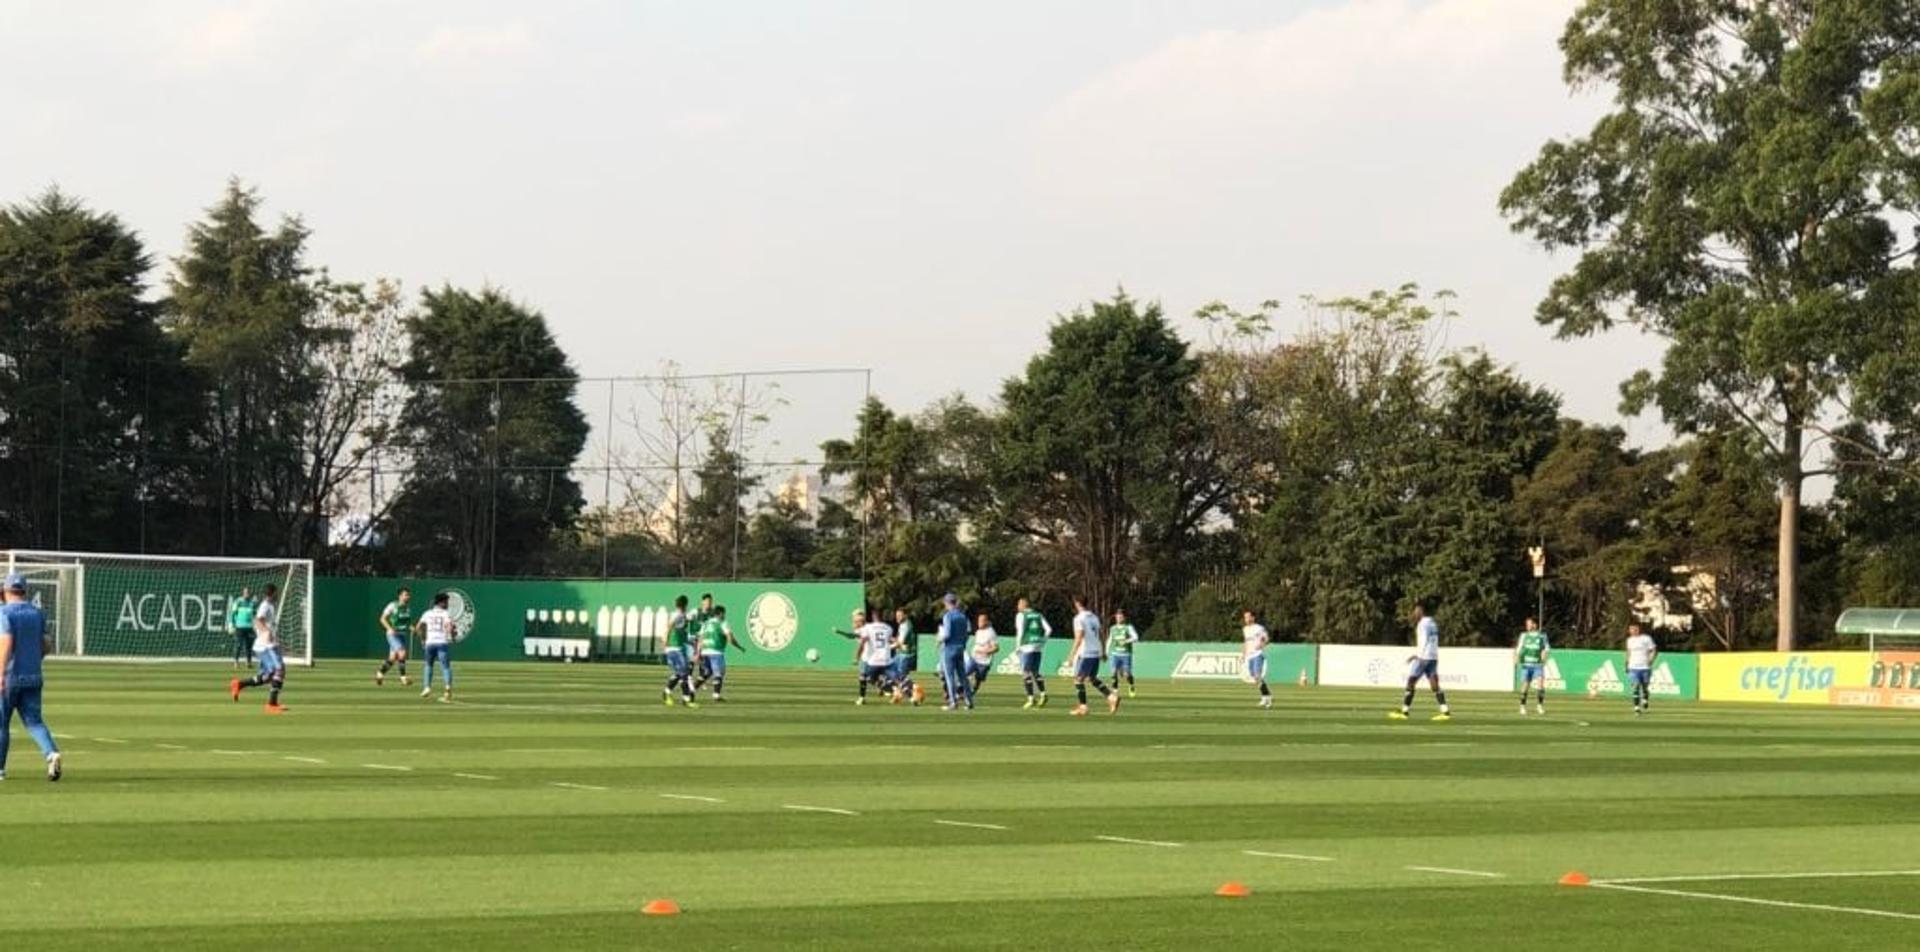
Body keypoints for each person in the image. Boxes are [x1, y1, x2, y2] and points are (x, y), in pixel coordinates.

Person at [0, 573, 62, 782]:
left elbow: (6, 642)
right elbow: (46, 643)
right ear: (24, 591)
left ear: (6, 592)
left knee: (2, 724)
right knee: (34, 722)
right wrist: (35, 659)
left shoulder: (4, 613)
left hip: (10, 676)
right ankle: (51, 753)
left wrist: (0, 673)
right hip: (33, 675)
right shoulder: (37, 613)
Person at [229, 583, 287, 714]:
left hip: (266, 645)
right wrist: (267, 632)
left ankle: (239, 684)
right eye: (276, 593)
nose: (278, 595)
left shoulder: (270, 605)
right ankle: (272, 704)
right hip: (265, 646)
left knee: (268, 677)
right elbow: (257, 620)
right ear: (272, 593)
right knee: (279, 670)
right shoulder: (265, 605)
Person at [1391, 600, 1450, 721]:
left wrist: (1417, 655)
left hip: (1424, 657)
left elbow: (1423, 641)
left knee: (1410, 682)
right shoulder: (1433, 623)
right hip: (1433, 656)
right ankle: (1445, 711)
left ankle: (1404, 711)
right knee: (1434, 684)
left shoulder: (1422, 624)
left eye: (1415, 610)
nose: (1414, 613)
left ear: (1420, 610)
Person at [1068, 596, 1118, 716]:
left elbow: (1079, 637)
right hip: (1095, 651)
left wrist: (1071, 654)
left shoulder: (1079, 618)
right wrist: (1103, 651)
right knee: (1092, 678)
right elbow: (1100, 635)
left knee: (1078, 680)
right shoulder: (1094, 617)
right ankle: (1111, 697)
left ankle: (1083, 707)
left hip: (1086, 653)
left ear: (1077, 603)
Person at [694, 605, 747, 702]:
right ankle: (716, 695)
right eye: (724, 613)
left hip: (705, 652)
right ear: (720, 613)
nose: (725, 616)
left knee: (707, 673)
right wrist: (739, 647)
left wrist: (698, 653)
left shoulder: (705, 623)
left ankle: (692, 690)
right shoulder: (722, 623)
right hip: (716, 651)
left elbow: (700, 639)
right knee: (719, 673)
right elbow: (730, 639)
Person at [937, 593, 974, 711]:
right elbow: (968, 632)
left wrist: (939, 639)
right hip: (960, 648)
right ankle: (969, 701)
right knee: (963, 676)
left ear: (947, 603)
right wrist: (962, 643)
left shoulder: (948, 616)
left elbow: (947, 634)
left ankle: (953, 702)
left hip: (949, 648)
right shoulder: (963, 616)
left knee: (949, 676)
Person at [418, 592, 458, 702]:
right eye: (446, 601)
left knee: (428, 665)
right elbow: (450, 628)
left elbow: (419, 627)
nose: (447, 604)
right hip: (442, 642)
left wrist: (422, 639)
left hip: (430, 643)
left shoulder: (427, 613)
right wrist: (453, 636)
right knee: (446, 666)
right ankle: (447, 687)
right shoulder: (445, 614)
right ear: (441, 602)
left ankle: (427, 687)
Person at [661, 595, 698, 708]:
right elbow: (669, 626)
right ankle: (686, 700)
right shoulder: (679, 615)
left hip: (674, 648)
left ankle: (666, 692)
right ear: (685, 605)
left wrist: (690, 642)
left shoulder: (679, 616)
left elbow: (678, 632)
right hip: (676, 649)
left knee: (679, 673)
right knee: (685, 673)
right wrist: (665, 640)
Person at [1014, 597, 1051, 709]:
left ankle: (1030, 699)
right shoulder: (1038, 615)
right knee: (1035, 672)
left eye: (1018, 604)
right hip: (1038, 646)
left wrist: (1018, 646)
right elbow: (1049, 629)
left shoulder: (1021, 615)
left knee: (1026, 672)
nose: (1017, 607)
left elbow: (1020, 631)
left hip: (1026, 645)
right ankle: (1043, 694)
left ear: (1023, 605)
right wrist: (1042, 641)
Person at [852, 610, 895, 706]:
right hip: (867, 657)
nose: (854, 623)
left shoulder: (867, 629)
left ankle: (885, 689)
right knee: (866, 678)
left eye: (856, 621)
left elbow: (858, 640)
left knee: (866, 678)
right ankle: (866, 696)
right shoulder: (864, 629)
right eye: (855, 621)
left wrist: (856, 657)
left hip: (869, 657)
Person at [375, 587, 413, 687]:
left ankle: (380, 674)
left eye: (408, 595)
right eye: (406, 595)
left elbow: (406, 623)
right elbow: (382, 619)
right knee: (402, 653)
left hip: (402, 635)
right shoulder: (392, 605)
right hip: (393, 635)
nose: (408, 597)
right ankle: (403, 678)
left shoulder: (407, 607)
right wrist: (389, 628)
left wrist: (411, 627)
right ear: (400, 596)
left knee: (392, 658)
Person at [1515, 616, 1550, 715]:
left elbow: (1546, 648)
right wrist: (1516, 658)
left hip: (1538, 664)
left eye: (1529, 624)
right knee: (1525, 685)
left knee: (1540, 684)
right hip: (1526, 664)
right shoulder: (1524, 636)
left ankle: (1539, 706)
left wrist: (1544, 656)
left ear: (1535, 625)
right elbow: (1519, 648)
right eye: (1527, 624)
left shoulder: (1542, 636)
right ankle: (1522, 706)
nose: (1527, 626)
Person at [889, 607, 923, 705]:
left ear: (905, 615)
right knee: (890, 672)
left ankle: (915, 689)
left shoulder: (906, 626)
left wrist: (887, 648)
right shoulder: (902, 625)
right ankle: (898, 693)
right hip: (900, 653)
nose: (897, 618)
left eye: (899, 615)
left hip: (906, 655)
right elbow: (899, 640)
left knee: (900, 676)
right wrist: (892, 639)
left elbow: (901, 642)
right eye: (896, 616)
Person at [1626, 622, 1658, 716]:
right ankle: (1636, 708)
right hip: (1633, 667)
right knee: (1635, 687)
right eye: (1631, 629)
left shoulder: (1646, 638)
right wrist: (1626, 664)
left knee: (1645, 687)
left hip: (1645, 667)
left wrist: (1651, 660)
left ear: (1639, 629)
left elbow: (1654, 650)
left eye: (1635, 629)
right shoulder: (1629, 640)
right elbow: (1628, 652)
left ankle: (1645, 699)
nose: (1633, 631)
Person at [1242, 610, 1272, 710]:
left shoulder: (1259, 628)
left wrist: (1261, 645)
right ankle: (1265, 696)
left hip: (1258, 654)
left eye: (1248, 617)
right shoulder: (1245, 629)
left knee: (1257, 675)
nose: (1246, 619)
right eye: (1245, 617)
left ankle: (1268, 697)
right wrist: (1243, 654)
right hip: (1250, 656)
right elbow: (1246, 642)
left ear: (1253, 618)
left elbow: (1266, 638)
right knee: (1255, 678)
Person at [1107, 609, 1140, 699]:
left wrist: (1126, 641)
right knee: (1113, 672)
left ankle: (1131, 685)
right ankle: (1115, 692)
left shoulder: (1128, 627)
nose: (1119, 618)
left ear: (1124, 618)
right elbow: (1110, 640)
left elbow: (1136, 637)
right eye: (1117, 616)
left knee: (1127, 674)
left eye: (1121, 616)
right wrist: (1106, 651)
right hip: (1115, 654)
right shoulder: (1113, 628)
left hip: (1126, 654)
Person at [966, 611, 999, 693]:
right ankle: (960, 691)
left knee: (979, 679)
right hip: (974, 658)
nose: (979, 623)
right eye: (979, 620)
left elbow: (996, 648)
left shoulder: (991, 633)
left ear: (987, 621)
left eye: (982, 621)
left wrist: (987, 652)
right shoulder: (978, 632)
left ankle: (973, 690)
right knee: (965, 673)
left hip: (984, 662)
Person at [228, 586, 256, 670]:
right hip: (239, 627)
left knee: (249, 646)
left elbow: (255, 615)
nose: (247, 594)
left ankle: (248, 662)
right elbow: (232, 613)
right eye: (245, 592)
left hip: (249, 627)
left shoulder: (252, 603)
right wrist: (231, 624)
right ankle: (236, 662)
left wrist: (255, 626)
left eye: (248, 592)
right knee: (238, 645)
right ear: (243, 593)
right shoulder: (238, 601)